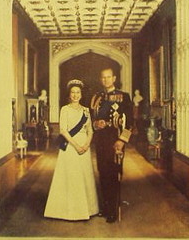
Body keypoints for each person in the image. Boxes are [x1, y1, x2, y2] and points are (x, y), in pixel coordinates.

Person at [44, 79, 99, 221]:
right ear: (69, 95)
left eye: (78, 92)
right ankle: (69, 211)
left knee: (84, 176)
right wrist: (76, 146)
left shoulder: (86, 111)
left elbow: (90, 131)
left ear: (81, 94)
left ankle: (88, 209)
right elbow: (63, 130)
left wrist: (86, 145)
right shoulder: (65, 109)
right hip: (70, 146)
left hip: (84, 147)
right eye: (73, 92)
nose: (75, 95)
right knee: (71, 176)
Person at [90, 67, 133, 223]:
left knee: (113, 174)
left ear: (114, 78)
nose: (106, 80)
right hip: (101, 139)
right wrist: (96, 124)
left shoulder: (124, 96)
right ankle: (106, 207)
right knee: (102, 172)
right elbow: (91, 119)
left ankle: (113, 210)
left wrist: (122, 140)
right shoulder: (97, 97)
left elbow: (130, 123)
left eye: (109, 77)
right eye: (103, 77)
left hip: (115, 139)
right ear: (100, 79)